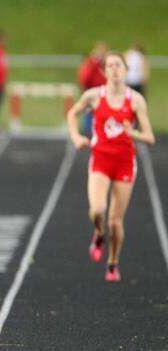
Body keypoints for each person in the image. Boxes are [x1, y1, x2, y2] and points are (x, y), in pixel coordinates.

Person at [66, 52, 155, 282]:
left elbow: (149, 137)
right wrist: (76, 137)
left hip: (124, 163)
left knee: (115, 221)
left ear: (125, 70)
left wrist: (132, 132)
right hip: (101, 159)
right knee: (97, 210)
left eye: (118, 65)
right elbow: (72, 114)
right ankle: (99, 232)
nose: (114, 69)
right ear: (104, 71)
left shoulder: (135, 100)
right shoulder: (94, 95)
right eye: (110, 65)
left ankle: (113, 262)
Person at [77, 42, 108, 135]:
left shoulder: (104, 64)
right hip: (92, 93)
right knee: (89, 116)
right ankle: (88, 135)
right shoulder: (92, 63)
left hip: (103, 94)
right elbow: (85, 79)